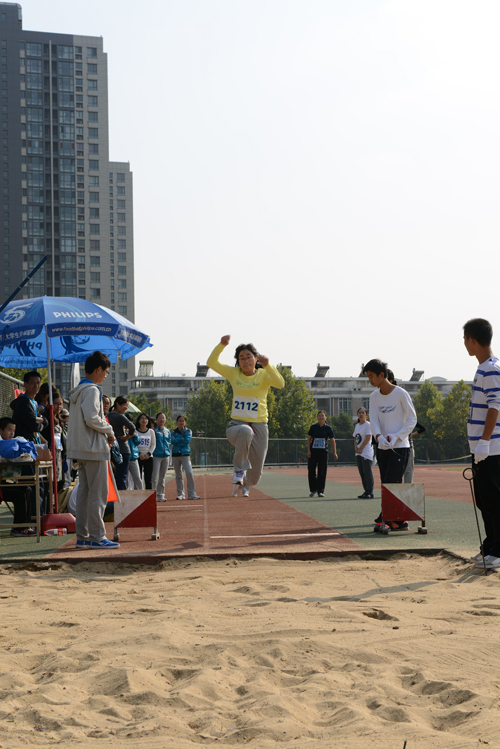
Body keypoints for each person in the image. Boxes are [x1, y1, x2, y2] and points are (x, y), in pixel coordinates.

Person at [207, 335, 285, 497]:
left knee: (255, 477)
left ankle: (244, 483)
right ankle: (239, 471)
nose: (245, 361)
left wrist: (268, 365)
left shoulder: (263, 375)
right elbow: (211, 363)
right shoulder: (234, 373)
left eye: (248, 357)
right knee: (245, 431)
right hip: (236, 426)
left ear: (256, 358)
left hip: (259, 427)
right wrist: (221, 345)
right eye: (241, 358)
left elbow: (280, 383)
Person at [66, 350, 119, 549]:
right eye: (105, 371)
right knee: (97, 493)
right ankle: (97, 536)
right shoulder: (92, 390)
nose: (106, 375)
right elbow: (92, 418)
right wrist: (110, 430)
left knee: (84, 493)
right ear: (98, 369)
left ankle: (83, 536)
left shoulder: (78, 390)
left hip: (80, 448)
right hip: (94, 448)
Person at [363, 359, 417, 532]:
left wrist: (397, 436)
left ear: (382, 375)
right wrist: (379, 437)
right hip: (382, 448)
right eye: (368, 377)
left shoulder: (401, 393)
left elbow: (412, 419)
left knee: (393, 482)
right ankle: (398, 520)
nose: (370, 380)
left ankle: (390, 519)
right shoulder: (374, 397)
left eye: (372, 376)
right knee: (386, 483)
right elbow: (374, 421)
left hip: (400, 447)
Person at [463, 318, 500, 570]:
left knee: (493, 499)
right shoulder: (483, 368)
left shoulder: (492, 369)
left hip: (491, 449)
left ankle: (498, 551)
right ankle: (489, 546)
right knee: (483, 500)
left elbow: (495, 406)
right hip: (480, 448)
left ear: (473, 340)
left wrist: (485, 441)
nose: (465, 345)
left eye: (465, 340)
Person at [0, 417, 36, 536]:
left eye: (13, 430)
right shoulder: (3, 445)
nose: (12, 433)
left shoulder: (13, 444)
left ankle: (22, 526)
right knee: (23, 491)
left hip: (6, 482)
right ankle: (20, 528)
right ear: (0, 430)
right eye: (9, 430)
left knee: (27, 489)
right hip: (1, 486)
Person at [10, 370, 47, 443]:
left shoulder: (34, 403)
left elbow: (38, 423)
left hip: (32, 442)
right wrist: (43, 421)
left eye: (38, 383)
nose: (36, 385)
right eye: (32, 382)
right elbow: (34, 426)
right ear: (25, 384)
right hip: (24, 444)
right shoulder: (23, 402)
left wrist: (42, 420)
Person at [107, 395, 136, 491]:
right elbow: (132, 428)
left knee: (112, 477)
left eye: (127, 405)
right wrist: (127, 437)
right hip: (123, 450)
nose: (126, 407)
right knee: (121, 477)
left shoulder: (107, 416)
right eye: (124, 405)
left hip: (111, 449)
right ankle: (122, 498)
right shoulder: (120, 416)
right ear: (117, 404)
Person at [306, 411, 338, 497]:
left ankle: (320, 491)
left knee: (322, 471)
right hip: (313, 452)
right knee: (311, 470)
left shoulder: (328, 428)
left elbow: (332, 440)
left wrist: (335, 453)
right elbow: (308, 439)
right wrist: (308, 451)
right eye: (319, 416)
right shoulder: (313, 427)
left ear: (325, 418)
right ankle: (313, 490)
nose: (321, 417)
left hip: (323, 452)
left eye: (322, 416)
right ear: (317, 417)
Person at [171, 414, 200, 500]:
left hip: (185, 455)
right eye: (179, 420)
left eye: (183, 421)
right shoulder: (173, 432)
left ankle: (192, 494)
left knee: (189, 473)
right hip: (175, 455)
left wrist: (177, 439)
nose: (181, 422)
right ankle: (181, 494)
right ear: (177, 422)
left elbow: (187, 441)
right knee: (178, 475)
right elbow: (172, 441)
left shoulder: (188, 431)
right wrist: (181, 438)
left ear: (185, 422)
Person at [353, 407, 374, 498]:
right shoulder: (357, 425)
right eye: (359, 413)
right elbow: (355, 438)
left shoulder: (368, 425)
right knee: (362, 472)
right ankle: (366, 491)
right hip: (358, 452)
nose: (361, 414)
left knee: (367, 472)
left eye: (363, 413)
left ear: (366, 415)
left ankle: (370, 492)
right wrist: (356, 448)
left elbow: (368, 437)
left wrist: (361, 448)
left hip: (366, 452)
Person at [152, 413, 171, 502]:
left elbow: (169, 442)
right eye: (160, 418)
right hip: (156, 456)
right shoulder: (154, 431)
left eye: (163, 418)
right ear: (156, 420)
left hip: (166, 456)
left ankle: (160, 495)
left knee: (162, 477)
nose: (161, 420)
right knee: (154, 476)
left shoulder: (167, 431)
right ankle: (153, 495)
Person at [135, 413, 156, 490]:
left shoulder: (151, 431)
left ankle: (148, 495)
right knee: (138, 478)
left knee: (148, 479)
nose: (144, 420)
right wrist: (139, 454)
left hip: (149, 458)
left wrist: (149, 454)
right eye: (142, 418)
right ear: (138, 420)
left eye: (146, 418)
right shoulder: (135, 432)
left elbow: (153, 444)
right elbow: (134, 445)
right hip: (138, 457)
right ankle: (138, 494)